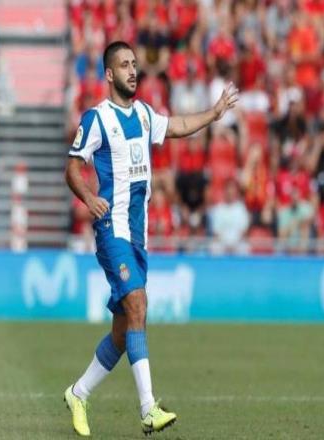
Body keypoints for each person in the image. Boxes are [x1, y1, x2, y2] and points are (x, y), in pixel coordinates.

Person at [64, 41, 238, 437]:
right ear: (110, 74)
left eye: (134, 64)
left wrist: (213, 113)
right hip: (112, 229)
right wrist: (89, 198)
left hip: (137, 236)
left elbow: (176, 126)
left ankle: (78, 393)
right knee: (138, 304)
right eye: (125, 65)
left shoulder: (143, 115)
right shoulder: (96, 118)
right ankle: (148, 408)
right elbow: (72, 168)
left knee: (124, 331)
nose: (133, 71)